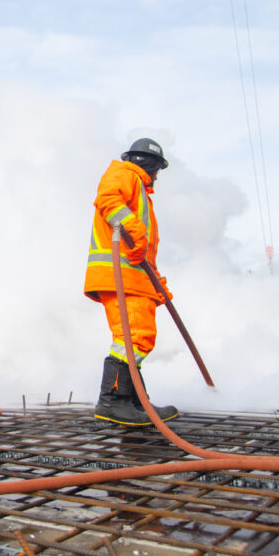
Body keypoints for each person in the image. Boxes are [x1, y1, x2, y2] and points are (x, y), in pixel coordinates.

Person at [84, 139, 179, 426]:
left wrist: (157, 284)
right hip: (120, 276)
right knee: (133, 338)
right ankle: (113, 400)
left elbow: (144, 253)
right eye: (157, 169)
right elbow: (108, 200)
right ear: (148, 165)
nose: (157, 176)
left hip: (134, 279)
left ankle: (136, 400)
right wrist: (134, 232)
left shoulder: (140, 192)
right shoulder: (125, 173)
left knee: (138, 337)